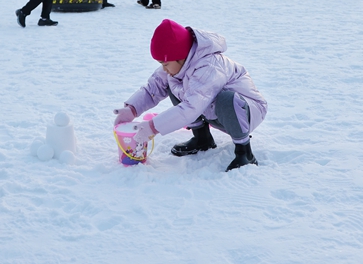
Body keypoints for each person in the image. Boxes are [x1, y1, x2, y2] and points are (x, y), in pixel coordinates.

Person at [112, 19, 268, 172]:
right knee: (174, 85)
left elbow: (190, 108)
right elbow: (153, 88)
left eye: (165, 64)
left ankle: (244, 152)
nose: (164, 69)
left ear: (180, 57)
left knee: (226, 99)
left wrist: (153, 127)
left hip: (246, 112)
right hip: (214, 110)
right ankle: (202, 139)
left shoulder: (209, 67)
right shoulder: (178, 64)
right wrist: (131, 109)